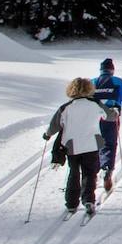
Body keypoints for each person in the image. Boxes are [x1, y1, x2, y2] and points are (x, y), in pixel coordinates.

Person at [44, 76, 105, 218]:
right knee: (90, 173)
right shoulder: (96, 104)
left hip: (72, 146)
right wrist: (114, 113)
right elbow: (110, 116)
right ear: (89, 89)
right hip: (91, 144)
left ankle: (71, 203)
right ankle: (88, 200)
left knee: (74, 172)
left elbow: (54, 126)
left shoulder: (65, 108)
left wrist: (47, 135)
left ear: (71, 90)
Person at [93, 58, 122, 195]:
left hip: (93, 117)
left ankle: (92, 174)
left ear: (101, 70)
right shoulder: (118, 82)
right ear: (112, 70)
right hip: (111, 117)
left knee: (94, 144)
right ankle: (107, 170)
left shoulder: (93, 82)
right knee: (109, 144)